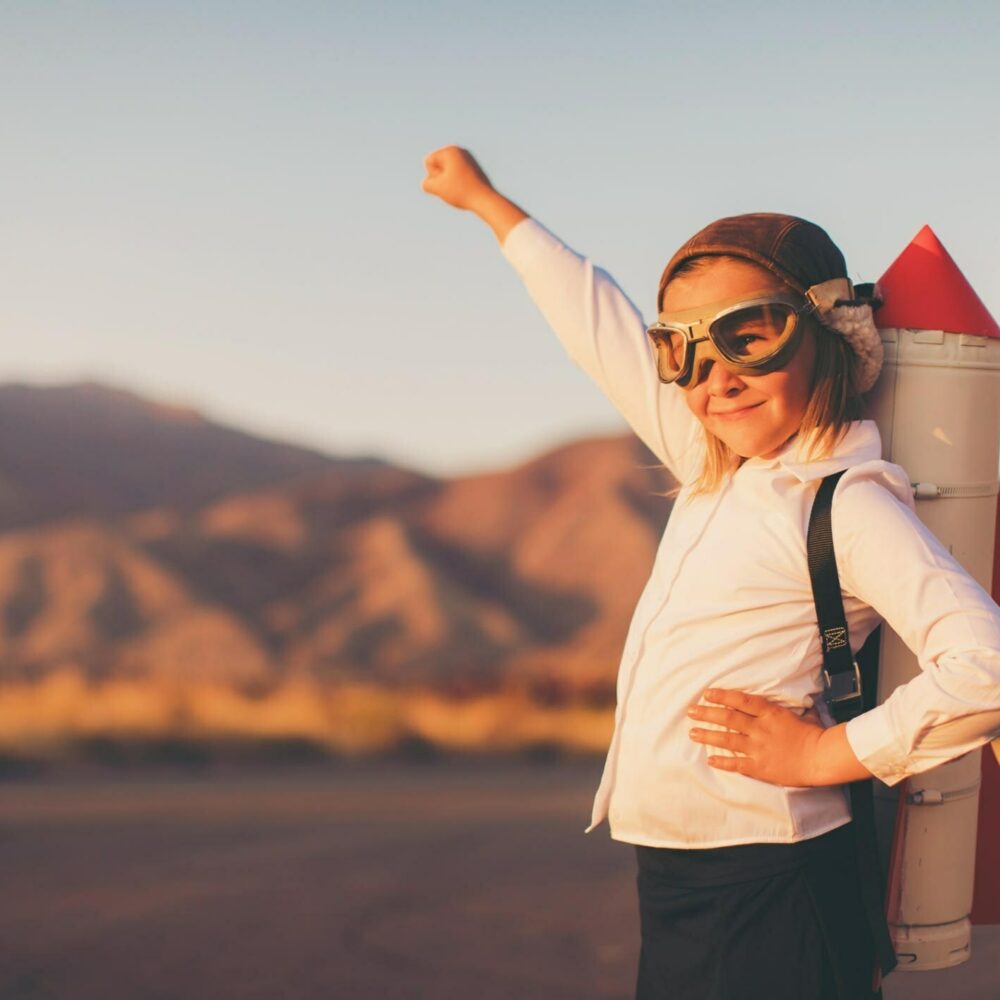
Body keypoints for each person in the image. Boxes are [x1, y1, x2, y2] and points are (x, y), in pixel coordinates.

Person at [420, 145, 1000, 999]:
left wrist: (825, 754)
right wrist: (488, 205)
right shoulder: (714, 465)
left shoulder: (844, 503)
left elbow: (986, 666)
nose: (714, 376)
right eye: (682, 348)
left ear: (831, 335)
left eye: (749, 336)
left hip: (770, 881)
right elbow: (598, 327)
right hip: (683, 875)